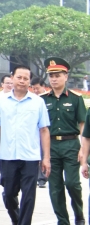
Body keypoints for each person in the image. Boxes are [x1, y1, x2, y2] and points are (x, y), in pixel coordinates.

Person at [0, 65, 51, 225]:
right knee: (8, 194)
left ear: (30, 81)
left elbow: (44, 131)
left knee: (28, 196)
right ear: (12, 78)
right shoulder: (1, 102)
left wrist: (46, 158)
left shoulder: (38, 102)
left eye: (25, 78)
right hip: (7, 156)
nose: (22, 81)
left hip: (30, 157)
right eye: (19, 77)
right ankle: (17, 220)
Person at [40, 57, 86, 225]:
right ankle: (63, 221)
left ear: (66, 76)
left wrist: (83, 149)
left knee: (72, 183)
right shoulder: (43, 100)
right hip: (51, 146)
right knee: (55, 187)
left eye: (58, 75)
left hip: (71, 145)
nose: (54, 79)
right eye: (51, 76)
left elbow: (83, 124)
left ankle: (79, 215)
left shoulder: (75, 98)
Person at [30, 76, 49, 188]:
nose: (36, 91)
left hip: (47, 130)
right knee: (38, 155)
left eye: (37, 88)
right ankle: (40, 178)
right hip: (35, 131)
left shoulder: (48, 98)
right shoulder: (32, 99)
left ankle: (44, 176)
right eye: (33, 89)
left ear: (43, 86)